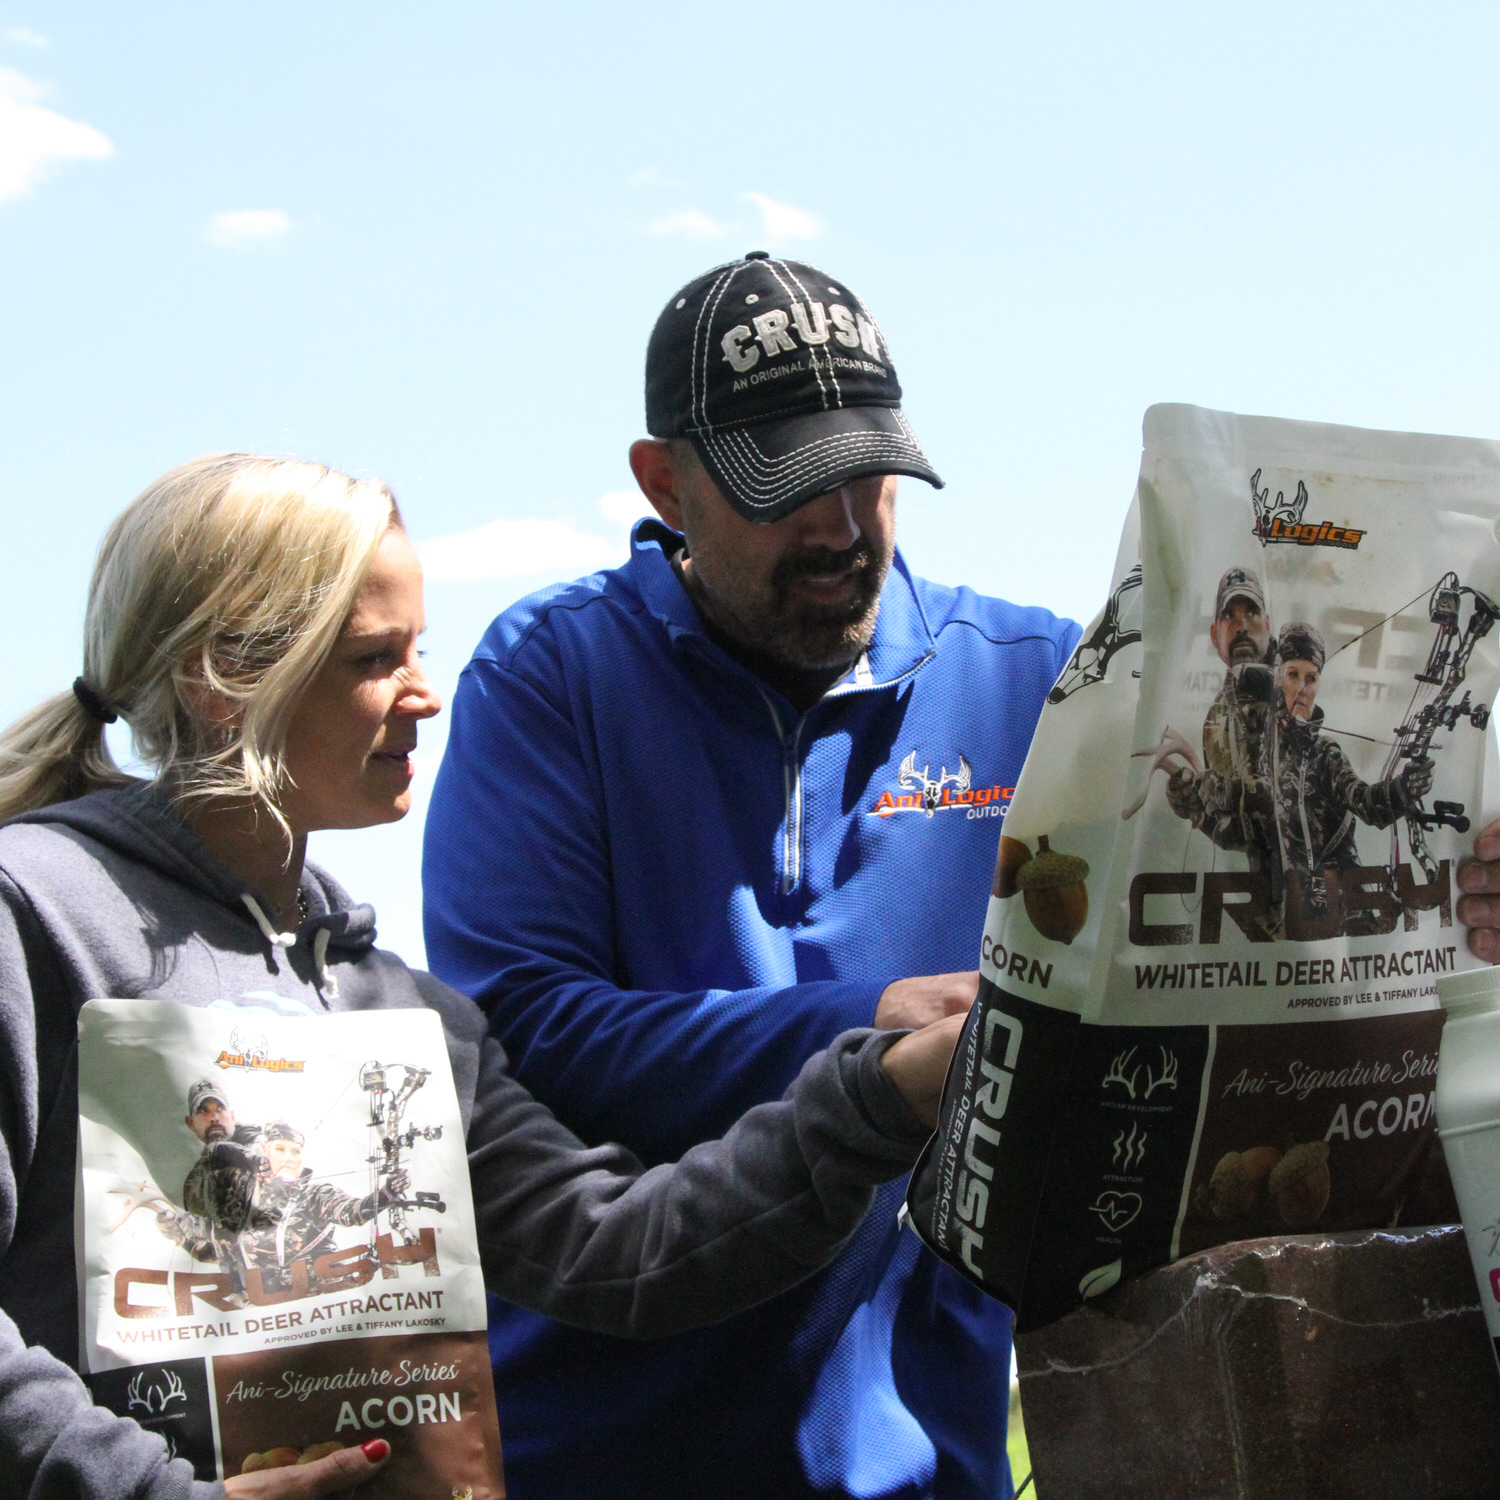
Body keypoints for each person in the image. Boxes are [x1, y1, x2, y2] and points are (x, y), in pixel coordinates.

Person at [0, 452, 962, 1500]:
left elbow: (616, 1253)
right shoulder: (36, 911)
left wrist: (880, 1095)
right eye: (372, 659)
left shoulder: (394, 1006)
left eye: (421, 648)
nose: (425, 694)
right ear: (218, 681)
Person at [421, 253, 1084, 1500]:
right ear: (664, 483)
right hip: (597, 1458)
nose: (839, 530)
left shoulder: (1037, 680)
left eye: (867, 476)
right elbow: (522, 1032)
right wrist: (870, 1038)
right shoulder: (551, 677)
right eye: (787, 489)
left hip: (924, 1461)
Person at [1263, 622, 1432, 936]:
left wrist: (1403, 790)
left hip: (1342, 913)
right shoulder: (1264, 749)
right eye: (1293, 675)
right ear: (1278, 678)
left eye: (1311, 678)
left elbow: (1366, 802)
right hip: (1286, 910)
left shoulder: (1326, 753)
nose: (1302, 687)